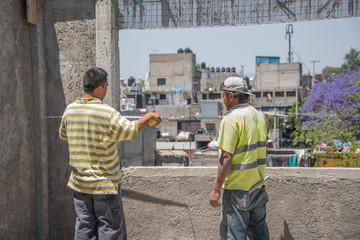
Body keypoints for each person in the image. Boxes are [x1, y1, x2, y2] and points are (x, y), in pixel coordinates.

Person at [59, 67, 162, 240]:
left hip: (80, 184)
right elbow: (131, 131)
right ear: (99, 88)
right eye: (106, 86)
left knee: (84, 228)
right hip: (104, 185)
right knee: (109, 229)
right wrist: (149, 115)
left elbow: (64, 136)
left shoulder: (69, 110)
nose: (106, 90)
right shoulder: (107, 113)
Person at [209, 77, 269, 240]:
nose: (223, 100)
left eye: (223, 96)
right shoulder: (260, 116)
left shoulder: (231, 119)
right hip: (258, 187)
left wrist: (216, 190)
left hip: (237, 190)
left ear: (230, 95)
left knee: (233, 236)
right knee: (259, 235)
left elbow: (226, 157)